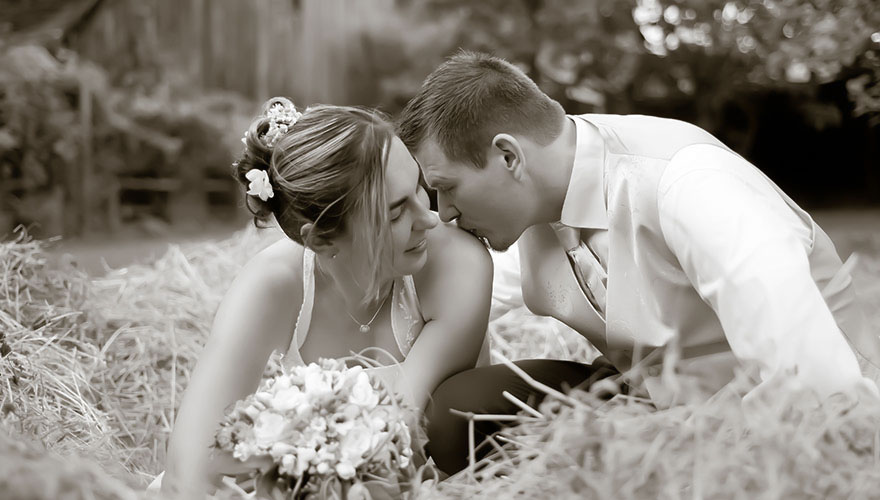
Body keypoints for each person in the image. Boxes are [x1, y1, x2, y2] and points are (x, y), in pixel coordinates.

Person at [397, 51, 880, 468]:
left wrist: (664, 446)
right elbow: (437, 301)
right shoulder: (533, 204)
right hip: (647, 405)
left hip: (764, 417)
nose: (446, 214)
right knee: (457, 411)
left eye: (445, 189)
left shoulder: (687, 185)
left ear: (509, 157)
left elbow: (812, 378)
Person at [156, 97, 498, 498]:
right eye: (394, 213)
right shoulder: (271, 284)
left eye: (420, 188)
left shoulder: (459, 264)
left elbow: (397, 425)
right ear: (320, 239)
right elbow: (187, 468)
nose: (429, 218)